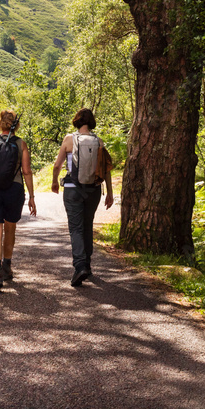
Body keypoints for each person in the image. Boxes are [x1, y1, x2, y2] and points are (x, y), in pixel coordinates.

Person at [52, 108, 113, 287]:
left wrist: (55, 181)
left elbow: (57, 165)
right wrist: (109, 192)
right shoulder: (99, 141)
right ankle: (87, 264)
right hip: (93, 190)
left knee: (76, 228)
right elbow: (106, 170)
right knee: (87, 225)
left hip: (73, 189)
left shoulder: (69, 139)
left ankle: (79, 267)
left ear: (76, 121)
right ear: (92, 122)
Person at [0, 110, 36, 292]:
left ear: (0, 123)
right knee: (10, 228)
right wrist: (32, 197)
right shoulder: (21, 144)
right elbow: (26, 171)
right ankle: (7, 266)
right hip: (14, 190)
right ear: (15, 125)